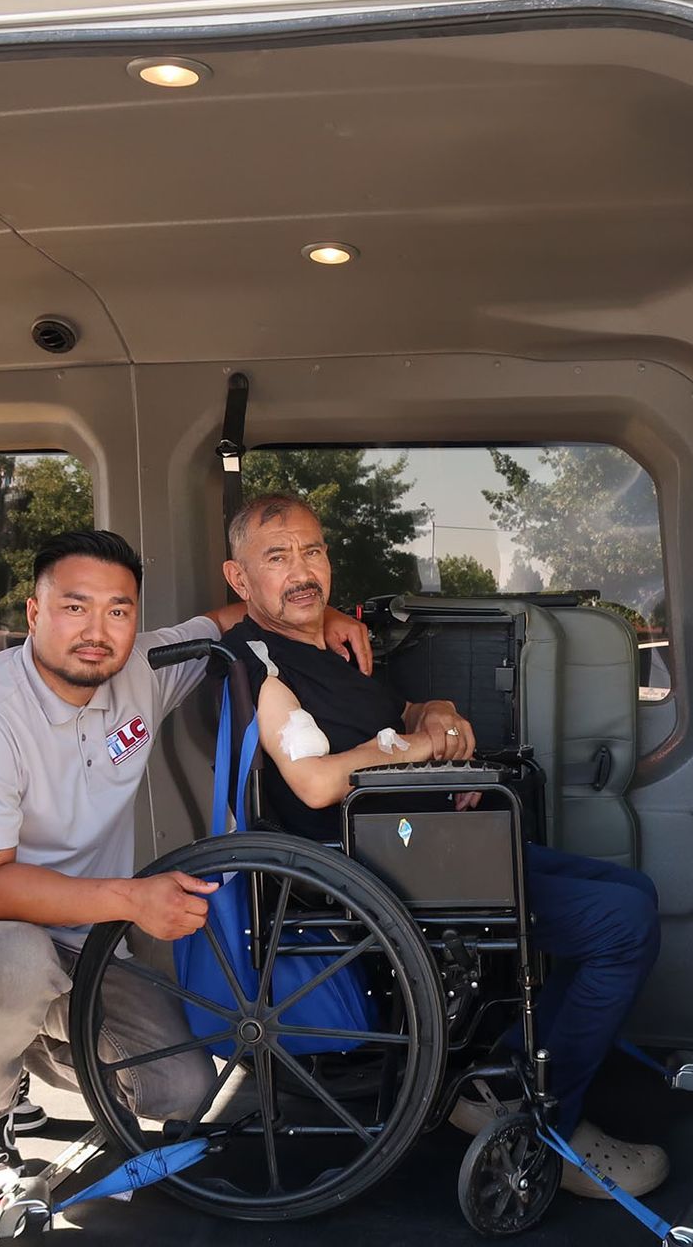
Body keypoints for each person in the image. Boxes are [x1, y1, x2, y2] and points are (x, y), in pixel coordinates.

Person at [217, 494, 668, 1200]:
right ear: (240, 580)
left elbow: (394, 718)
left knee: (633, 894)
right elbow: (311, 782)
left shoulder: (333, 648)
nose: (302, 572)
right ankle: (543, 1116)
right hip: (376, 874)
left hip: (427, 845)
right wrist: (419, 749)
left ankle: (505, 1081)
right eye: (277, 558)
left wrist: (436, 714)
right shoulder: (261, 668)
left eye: (313, 552)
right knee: (621, 926)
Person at [0, 528, 374, 1201]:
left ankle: (22, 1048)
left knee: (181, 1087)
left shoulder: (143, 667)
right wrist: (132, 900)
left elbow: (228, 618)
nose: (97, 629)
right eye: (75, 606)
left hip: (89, 942)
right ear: (35, 614)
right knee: (13, 960)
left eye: (119, 610)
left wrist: (320, 616)